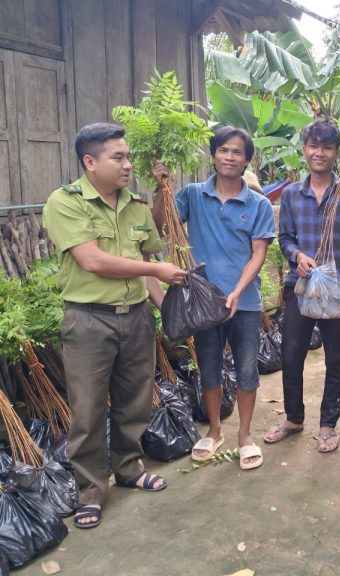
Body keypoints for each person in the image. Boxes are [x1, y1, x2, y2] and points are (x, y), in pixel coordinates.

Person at [43, 123, 187, 530]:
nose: (127, 165)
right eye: (117, 158)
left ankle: (127, 467)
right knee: (88, 409)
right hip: (90, 320)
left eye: (127, 157)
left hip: (136, 318)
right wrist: (155, 268)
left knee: (135, 400)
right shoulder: (66, 202)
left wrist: (169, 314)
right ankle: (90, 491)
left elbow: (151, 272)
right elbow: (94, 261)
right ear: (90, 162)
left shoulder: (137, 204)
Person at [152, 126, 275, 470]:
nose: (230, 157)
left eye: (237, 152)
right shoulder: (192, 194)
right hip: (203, 302)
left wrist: (237, 291)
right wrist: (161, 189)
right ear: (214, 154)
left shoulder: (259, 204)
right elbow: (162, 227)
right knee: (210, 369)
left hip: (245, 302)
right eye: (223, 150)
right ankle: (216, 430)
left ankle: (246, 435)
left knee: (248, 369)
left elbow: (258, 253)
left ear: (247, 160)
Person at [265, 118, 340, 453]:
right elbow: (285, 238)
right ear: (304, 149)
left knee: (335, 359)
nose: (318, 153)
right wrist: (297, 256)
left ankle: (327, 426)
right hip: (300, 288)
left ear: (336, 152)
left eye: (326, 147)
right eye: (313, 146)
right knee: (291, 355)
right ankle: (293, 419)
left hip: (335, 293)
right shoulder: (293, 195)